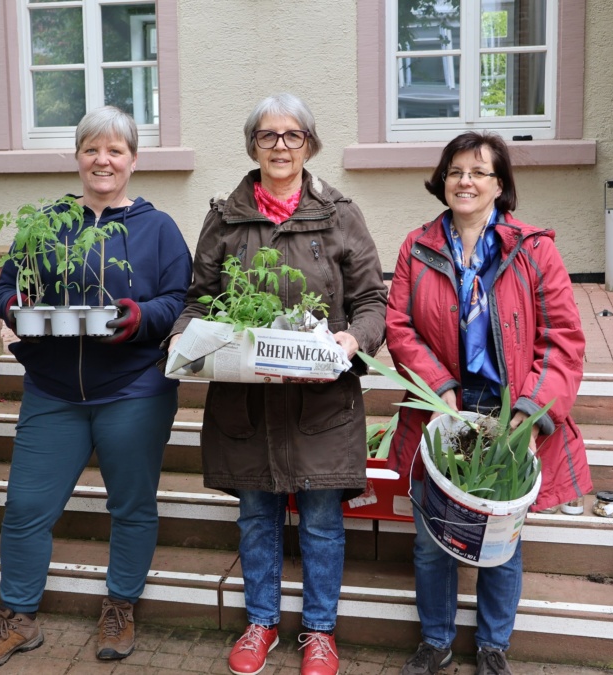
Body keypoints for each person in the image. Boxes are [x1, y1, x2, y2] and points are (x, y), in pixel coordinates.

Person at [0, 106, 192, 670]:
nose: (102, 160)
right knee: (26, 507)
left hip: (134, 389)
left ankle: (120, 606)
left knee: (131, 505)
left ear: (133, 160)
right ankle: (18, 617)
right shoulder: (47, 224)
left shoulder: (158, 228)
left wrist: (142, 316)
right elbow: (6, 287)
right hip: (53, 390)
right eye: (92, 149)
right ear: (77, 157)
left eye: (115, 150)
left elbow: (180, 298)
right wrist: (13, 306)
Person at [167, 93, 387, 675]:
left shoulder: (340, 215)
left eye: (293, 136)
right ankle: (260, 622)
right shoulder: (225, 218)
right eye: (268, 136)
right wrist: (184, 338)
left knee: (322, 521)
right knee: (256, 515)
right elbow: (201, 299)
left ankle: (320, 631)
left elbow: (372, 301)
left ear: (309, 144)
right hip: (249, 400)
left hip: (322, 403)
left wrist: (353, 339)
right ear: (253, 146)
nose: (281, 146)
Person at [384, 131, 591, 675]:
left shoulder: (534, 249)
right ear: (442, 181)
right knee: (432, 537)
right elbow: (400, 328)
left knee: (501, 539)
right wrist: (438, 388)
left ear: (500, 185)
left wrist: (531, 411)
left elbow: (562, 338)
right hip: (443, 406)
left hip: (509, 407)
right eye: (455, 171)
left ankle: (493, 646)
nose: (465, 181)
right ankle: (436, 641)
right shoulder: (417, 247)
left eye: (479, 172)